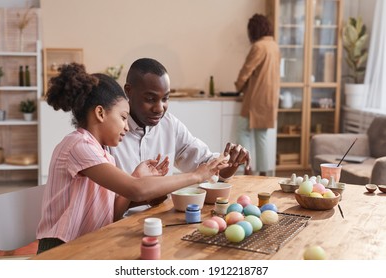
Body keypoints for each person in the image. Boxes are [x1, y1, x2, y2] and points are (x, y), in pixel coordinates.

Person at [36, 63, 228, 254]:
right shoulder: (78, 146)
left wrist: (137, 177)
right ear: (100, 113)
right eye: (122, 117)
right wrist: (197, 176)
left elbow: (113, 212)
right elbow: (136, 190)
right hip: (60, 250)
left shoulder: (100, 152)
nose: (127, 127)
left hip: (90, 243)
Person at [109, 58, 251, 209]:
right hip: (117, 225)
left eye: (165, 98)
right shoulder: (109, 131)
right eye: (150, 99)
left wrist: (231, 160)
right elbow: (105, 205)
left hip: (161, 219)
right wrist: (146, 195)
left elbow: (208, 167)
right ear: (129, 91)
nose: (159, 108)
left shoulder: (169, 125)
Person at [234, 13, 280, 176]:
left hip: (255, 98)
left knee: (242, 132)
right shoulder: (274, 45)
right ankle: (263, 172)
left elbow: (246, 70)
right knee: (261, 137)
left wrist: (238, 86)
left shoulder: (259, 46)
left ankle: (246, 168)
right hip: (270, 99)